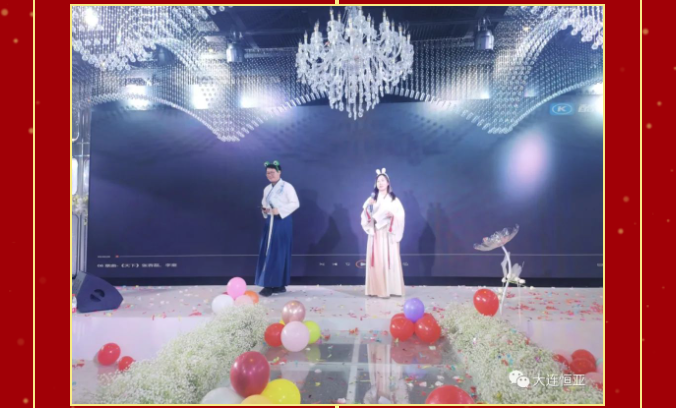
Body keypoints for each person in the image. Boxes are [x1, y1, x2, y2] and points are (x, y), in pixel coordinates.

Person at [255, 161, 299, 297]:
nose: (270, 175)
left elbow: (295, 203)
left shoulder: (287, 186)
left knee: (279, 252)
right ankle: (271, 283)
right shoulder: (267, 188)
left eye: (272, 172)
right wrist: (265, 210)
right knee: (268, 251)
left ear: (279, 172)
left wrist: (279, 210)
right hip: (270, 222)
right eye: (267, 173)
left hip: (282, 222)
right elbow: (265, 203)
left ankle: (276, 284)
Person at [360, 168, 406, 298]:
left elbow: (400, 215)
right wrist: (368, 208)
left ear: (388, 183)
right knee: (377, 261)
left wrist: (393, 215)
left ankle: (391, 288)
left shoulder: (393, 199)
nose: (380, 183)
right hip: (376, 233)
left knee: (389, 259)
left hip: (388, 232)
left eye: (383, 180)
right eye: (378, 181)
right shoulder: (372, 199)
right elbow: (364, 216)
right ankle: (376, 289)